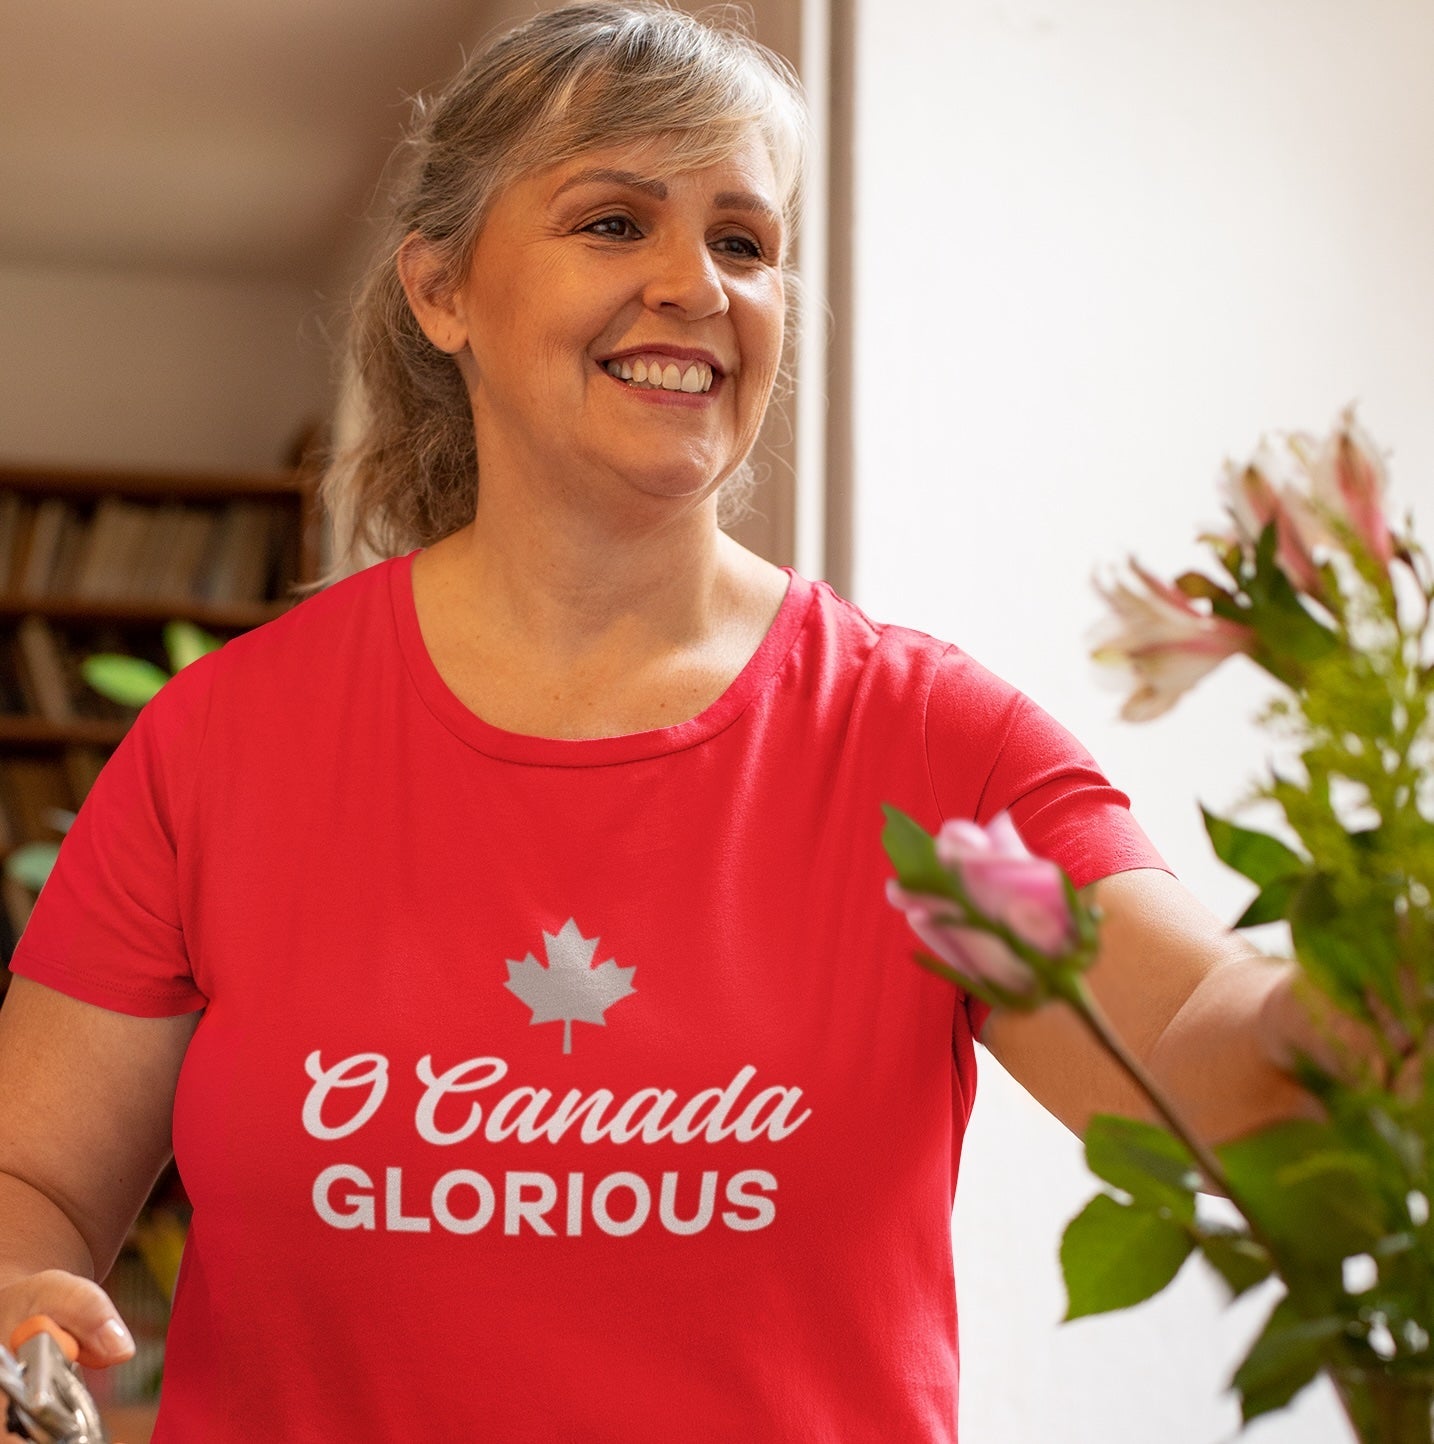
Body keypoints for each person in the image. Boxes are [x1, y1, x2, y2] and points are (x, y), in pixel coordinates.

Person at [0, 4, 1330, 1439]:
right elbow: (39, 1181)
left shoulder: (931, 742)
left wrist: (1378, 988)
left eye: (743, 241)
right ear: (441, 291)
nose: (695, 285)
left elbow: (1209, 1052)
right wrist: (20, 1286)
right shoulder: (219, 743)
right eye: (614, 223)